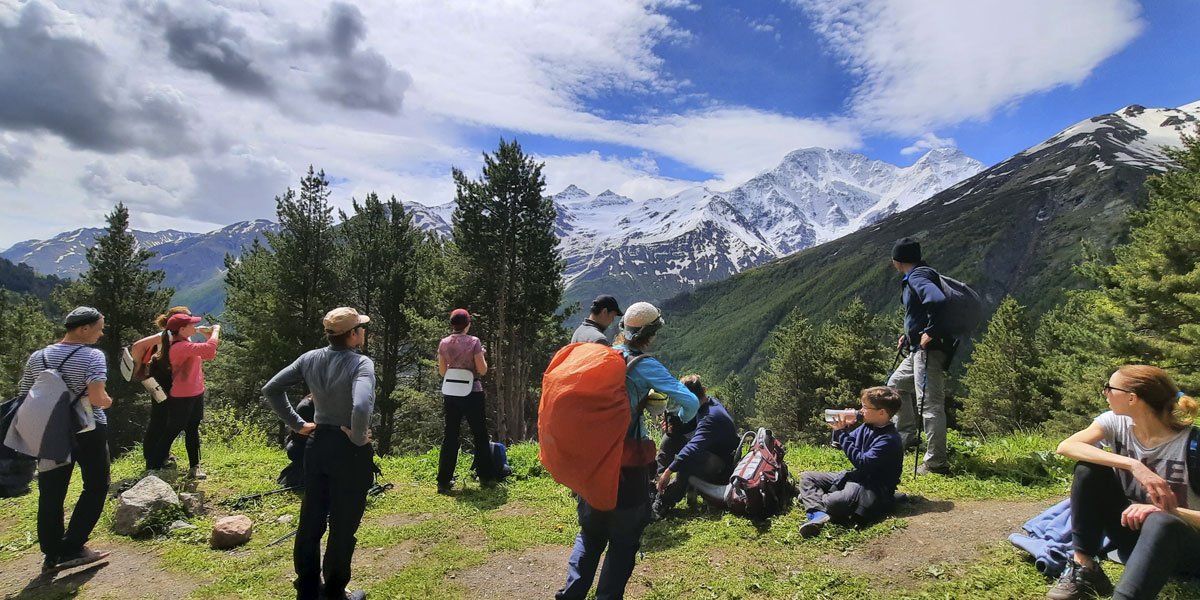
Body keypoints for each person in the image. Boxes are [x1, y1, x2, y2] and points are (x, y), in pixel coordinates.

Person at [557, 301, 699, 600]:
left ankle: (570, 595)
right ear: (651, 334)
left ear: (623, 330)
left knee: (591, 533)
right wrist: (677, 420)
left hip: (594, 459)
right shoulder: (644, 365)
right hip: (627, 465)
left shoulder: (605, 355)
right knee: (623, 540)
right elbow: (690, 402)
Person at [1045, 365, 1200, 600]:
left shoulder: (1192, 446)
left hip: (1185, 547)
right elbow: (1066, 446)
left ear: (1132, 398)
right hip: (1134, 537)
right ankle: (1086, 569)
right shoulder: (1115, 423)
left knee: (1161, 522)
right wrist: (1133, 465)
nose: (1105, 393)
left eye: (1109, 388)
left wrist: (1170, 512)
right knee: (1089, 469)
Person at [263, 307, 376, 600]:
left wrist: (298, 425)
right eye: (361, 328)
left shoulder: (310, 358)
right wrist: (359, 437)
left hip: (316, 446)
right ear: (352, 335)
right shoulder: (361, 364)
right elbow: (362, 406)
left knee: (312, 517)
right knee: (343, 522)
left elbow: (272, 389)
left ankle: (308, 585)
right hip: (348, 449)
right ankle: (336, 592)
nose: (363, 331)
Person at [18, 307, 113, 574]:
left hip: (49, 431)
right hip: (88, 430)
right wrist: (108, 400)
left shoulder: (39, 357)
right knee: (96, 485)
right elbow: (97, 398)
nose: (101, 333)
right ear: (83, 329)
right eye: (98, 328)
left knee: (51, 491)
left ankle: (51, 553)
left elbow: (25, 395)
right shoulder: (92, 356)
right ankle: (72, 547)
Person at [886, 237, 954, 475]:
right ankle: (907, 436)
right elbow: (921, 311)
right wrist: (909, 335)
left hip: (928, 351)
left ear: (898, 259)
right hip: (917, 347)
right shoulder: (919, 274)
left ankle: (936, 463)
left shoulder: (917, 276)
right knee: (895, 386)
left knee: (929, 404)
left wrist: (930, 333)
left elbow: (937, 301)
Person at [798, 386, 904, 538]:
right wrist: (841, 428)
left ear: (882, 413)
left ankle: (813, 500)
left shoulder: (888, 440)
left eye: (865, 407)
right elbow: (840, 444)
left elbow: (862, 462)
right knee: (807, 477)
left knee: (835, 502)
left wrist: (842, 432)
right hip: (857, 478)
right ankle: (817, 512)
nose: (861, 411)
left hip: (872, 487)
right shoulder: (868, 426)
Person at [652, 374, 738, 520]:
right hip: (710, 452)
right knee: (669, 439)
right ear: (703, 389)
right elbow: (692, 425)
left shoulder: (710, 417)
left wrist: (669, 471)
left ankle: (664, 501)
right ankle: (657, 485)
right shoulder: (706, 403)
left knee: (689, 461)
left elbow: (693, 447)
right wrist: (675, 429)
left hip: (722, 465)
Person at [146, 313, 219, 479]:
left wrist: (207, 337)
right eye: (191, 325)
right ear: (182, 329)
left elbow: (209, 353)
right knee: (173, 429)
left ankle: (194, 467)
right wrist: (215, 331)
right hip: (182, 395)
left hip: (195, 392)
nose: (195, 326)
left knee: (191, 429)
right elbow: (209, 350)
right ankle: (154, 466)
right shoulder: (179, 347)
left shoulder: (185, 343)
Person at [436, 309, 495, 493]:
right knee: (479, 433)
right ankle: (485, 475)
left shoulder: (444, 343)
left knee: (451, 434)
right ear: (467, 324)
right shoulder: (474, 342)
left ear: (452, 324)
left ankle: (443, 480)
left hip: (451, 392)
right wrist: (481, 355)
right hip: (472, 391)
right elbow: (482, 370)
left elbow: (443, 372)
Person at [130, 306, 190, 469]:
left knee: (163, 418)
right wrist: (137, 367)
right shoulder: (167, 335)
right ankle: (154, 457)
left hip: (158, 380)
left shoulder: (171, 335)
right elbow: (136, 346)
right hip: (163, 381)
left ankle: (160, 454)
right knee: (161, 419)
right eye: (187, 317)